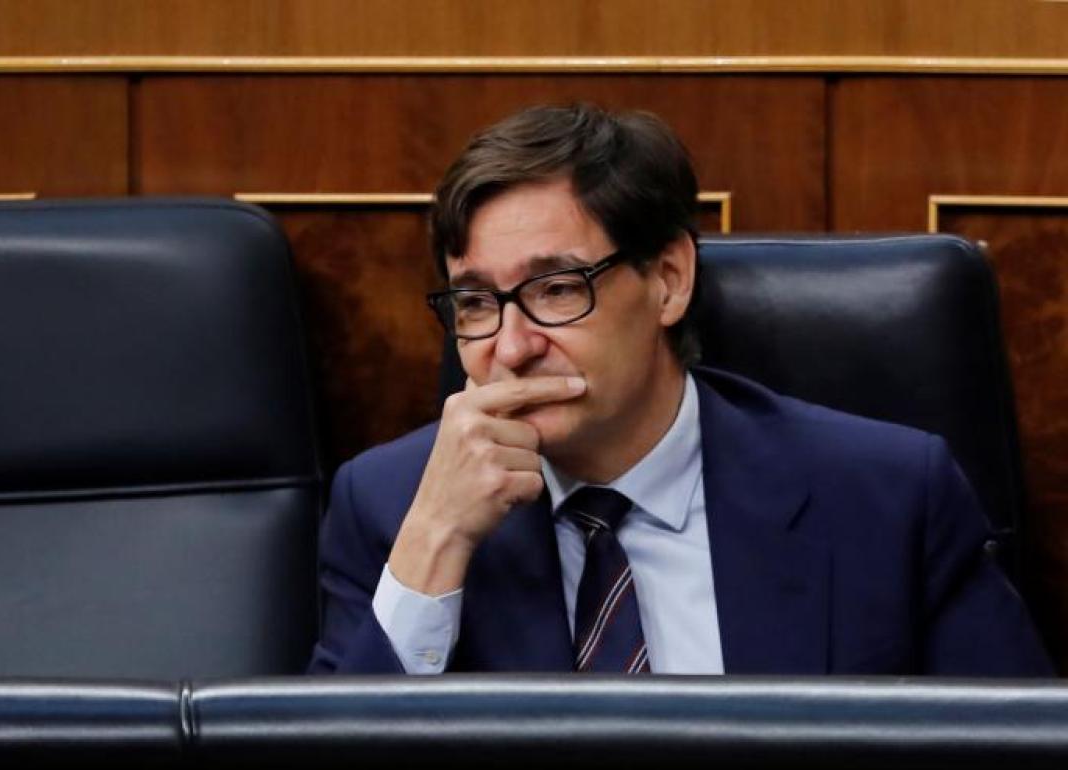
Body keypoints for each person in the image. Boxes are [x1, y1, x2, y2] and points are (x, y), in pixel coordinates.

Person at [307, 103, 1053, 676]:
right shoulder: (390, 507)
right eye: (474, 303)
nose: (510, 346)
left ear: (668, 280)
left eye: (557, 289)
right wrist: (435, 542)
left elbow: (1007, 753)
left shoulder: (885, 499)